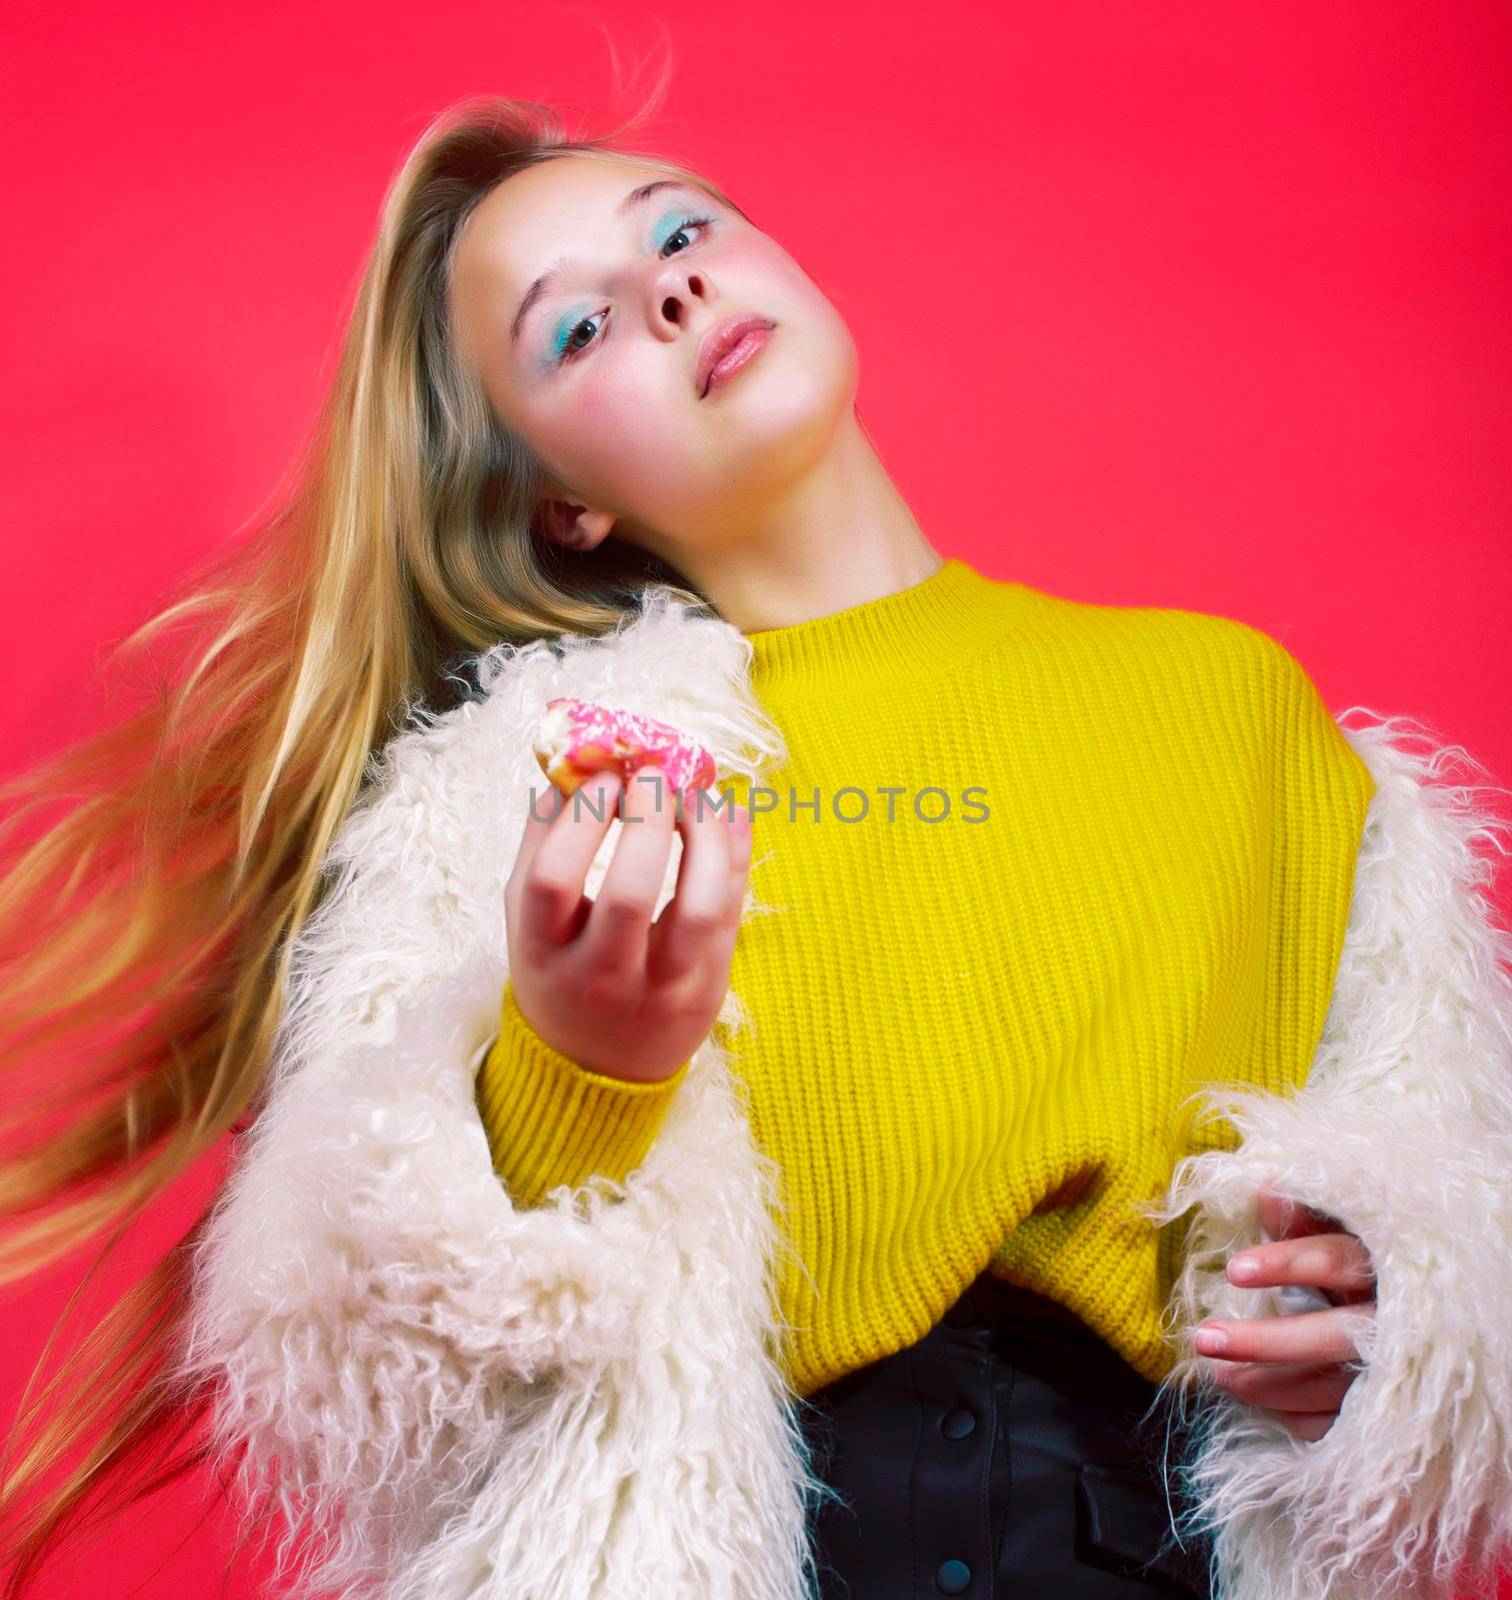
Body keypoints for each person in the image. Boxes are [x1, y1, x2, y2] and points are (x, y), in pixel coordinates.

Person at [2, 91, 1510, 1600]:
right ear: (560, 505)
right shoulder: (537, 788)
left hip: (1141, 1539)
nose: (669, 289)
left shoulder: (1228, 708)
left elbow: (1434, 1191)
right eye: (577, 333)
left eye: (680, 230)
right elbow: (383, 1370)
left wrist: (1408, 1325)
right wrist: (584, 1062)